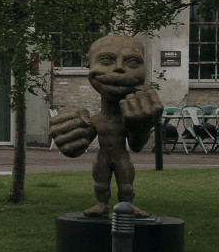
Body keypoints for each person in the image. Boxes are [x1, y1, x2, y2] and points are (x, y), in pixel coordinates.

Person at [50, 33, 163, 215]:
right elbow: (80, 143)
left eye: (132, 62)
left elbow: (135, 146)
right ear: (88, 63)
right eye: (106, 60)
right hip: (102, 157)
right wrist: (73, 134)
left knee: (126, 185)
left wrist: (142, 128)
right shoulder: (95, 120)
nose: (119, 68)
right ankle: (101, 204)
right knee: (100, 184)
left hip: (122, 157)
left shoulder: (128, 119)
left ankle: (128, 204)